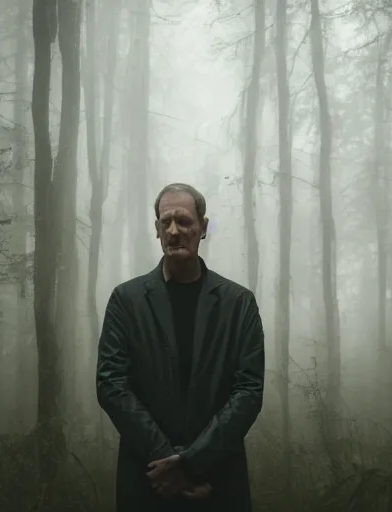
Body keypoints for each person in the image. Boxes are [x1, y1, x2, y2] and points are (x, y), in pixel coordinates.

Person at [96, 183, 265, 511]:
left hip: (219, 482)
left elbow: (248, 392)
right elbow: (112, 386)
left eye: (184, 221)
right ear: (157, 229)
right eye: (165, 222)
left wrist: (194, 463)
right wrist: (172, 464)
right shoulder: (125, 301)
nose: (174, 231)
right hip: (148, 481)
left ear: (203, 227)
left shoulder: (239, 303)